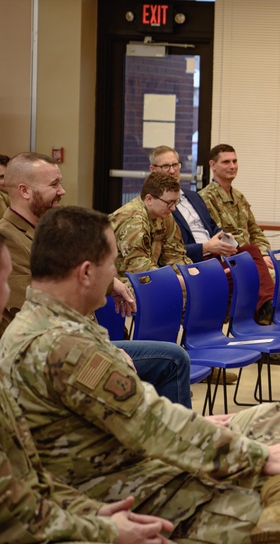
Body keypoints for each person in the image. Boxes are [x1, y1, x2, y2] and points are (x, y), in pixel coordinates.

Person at [0, 205, 280, 544]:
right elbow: (152, 426)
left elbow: (137, 418)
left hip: (119, 453)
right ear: (85, 273)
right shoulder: (64, 346)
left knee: (269, 416)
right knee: (249, 505)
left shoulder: (47, 325)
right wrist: (256, 457)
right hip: (115, 479)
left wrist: (220, 436)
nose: (116, 273)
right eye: (112, 263)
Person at [0, 231, 177, 543]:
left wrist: (89, 513)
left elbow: (30, 482)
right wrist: (105, 529)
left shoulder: (51, 229)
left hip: (62, 506)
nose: (8, 292)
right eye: (4, 281)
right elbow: (14, 515)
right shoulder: (48, 340)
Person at [0, 153, 191, 407]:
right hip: (56, 357)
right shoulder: (9, 241)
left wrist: (114, 285)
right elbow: (40, 315)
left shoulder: (48, 229)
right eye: (54, 184)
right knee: (172, 361)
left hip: (82, 341)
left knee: (174, 357)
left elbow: (72, 274)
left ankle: (170, 439)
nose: (62, 190)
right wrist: (102, 349)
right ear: (24, 191)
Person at [149, 145, 274, 323]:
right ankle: (264, 313)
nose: (172, 170)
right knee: (249, 273)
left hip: (216, 253)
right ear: (153, 170)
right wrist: (206, 247)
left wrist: (227, 242)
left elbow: (214, 227)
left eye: (175, 165)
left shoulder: (193, 196)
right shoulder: (159, 206)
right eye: (165, 166)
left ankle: (267, 307)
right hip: (198, 259)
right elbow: (171, 250)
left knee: (251, 251)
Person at [199, 144, 275, 272]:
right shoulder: (206, 198)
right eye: (226, 162)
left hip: (252, 257)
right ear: (212, 165)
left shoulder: (238, 196)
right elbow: (221, 238)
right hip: (231, 261)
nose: (232, 166)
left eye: (234, 161)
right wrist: (255, 259)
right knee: (275, 278)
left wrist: (264, 254)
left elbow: (255, 231)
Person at [108, 171, 192, 278]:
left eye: (176, 202)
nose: (173, 208)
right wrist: (175, 281)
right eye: (169, 202)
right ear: (149, 199)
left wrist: (189, 275)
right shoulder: (133, 219)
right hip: (116, 282)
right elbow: (139, 268)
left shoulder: (164, 215)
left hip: (144, 277)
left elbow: (174, 255)